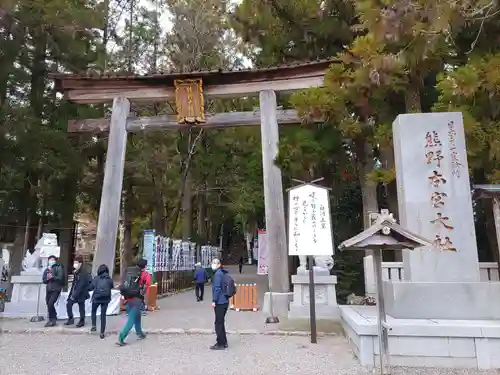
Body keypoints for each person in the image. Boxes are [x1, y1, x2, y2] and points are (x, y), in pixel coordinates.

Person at [117, 259, 149, 346]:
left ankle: (140, 334)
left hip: (128, 298)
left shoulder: (129, 272)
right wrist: (142, 296)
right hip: (137, 300)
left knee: (137, 316)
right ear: (144, 266)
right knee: (131, 320)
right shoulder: (145, 274)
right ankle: (121, 338)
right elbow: (145, 288)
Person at [64, 255, 90, 327]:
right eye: (74, 262)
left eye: (76, 262)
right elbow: (74, 284)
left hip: (81, 293)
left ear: (80, 263)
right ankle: (71, 319)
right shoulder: (76, 272)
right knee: (69, 304)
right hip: (75, 292)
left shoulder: (83, 272)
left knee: (81, 307)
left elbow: (81, 285)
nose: (74, 264)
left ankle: (82, 321)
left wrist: (74, 295)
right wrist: (71, 294)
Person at [89, 264, 114, 339]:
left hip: (96, 298)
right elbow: (111, 286)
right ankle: (102, 333)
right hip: (106, 299)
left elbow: (91, 287)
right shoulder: (109, 278)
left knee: (93, 311)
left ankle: (94, 326)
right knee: (103, 315)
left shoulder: (96, 278)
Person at [42, 255, 66, 327]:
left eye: (52, 260)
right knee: (48, 303)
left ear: (55, 260)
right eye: (50, 260)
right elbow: (44, 280)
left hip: (56, 289)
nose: (51, 261)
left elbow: (60, 278)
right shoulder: (47, 270)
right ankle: (53, 316)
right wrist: (48, 279)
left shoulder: (59, 267)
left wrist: (52, 277)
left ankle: (52, 320)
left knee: (50, 303)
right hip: (48, 289)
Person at [211, 258, 229, 350]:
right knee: (221, 322)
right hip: (225, 301)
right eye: (213, 262)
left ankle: (220, 343)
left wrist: (214, 300)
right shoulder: (222, 272)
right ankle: (224, 342)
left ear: (219, 264)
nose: (213, 264)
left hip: (220, 302)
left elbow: (217, 288)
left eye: (215, 263)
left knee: (218, 323)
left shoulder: (217, 274)